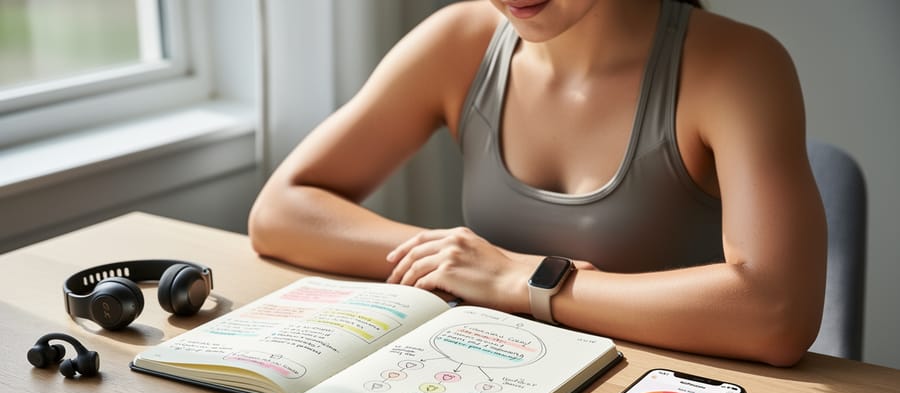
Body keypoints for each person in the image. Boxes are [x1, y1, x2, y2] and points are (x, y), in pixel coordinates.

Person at [248, 0, 826, 367]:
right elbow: (281, 211)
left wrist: (522, 278)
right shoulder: (460, 39)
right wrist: (458, 261)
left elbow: (777, 314)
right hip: (500, 375)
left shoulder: (738, 65)